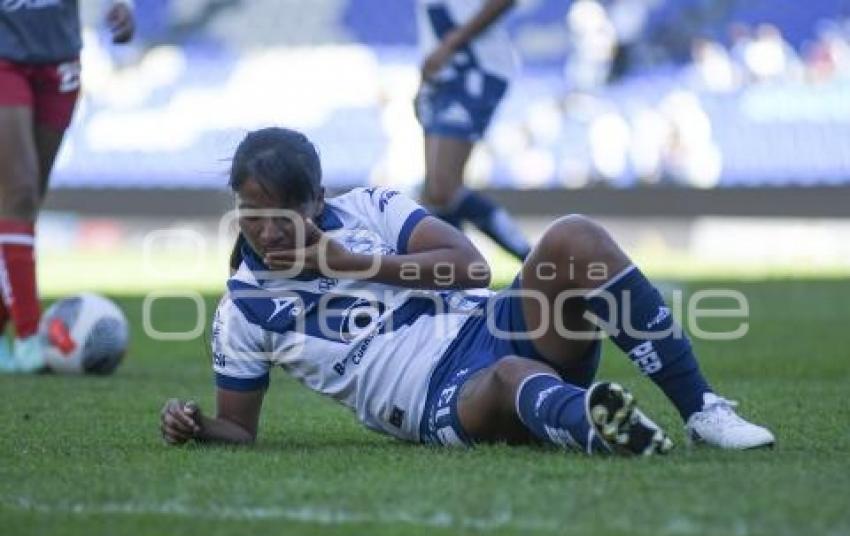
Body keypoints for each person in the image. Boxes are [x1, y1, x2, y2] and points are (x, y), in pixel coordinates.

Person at [160, 127, 775, 454]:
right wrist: (193, 426)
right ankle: (599, 426)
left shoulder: (370, 207)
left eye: (283, 213)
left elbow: (473, 268)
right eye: (249, 212)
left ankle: (702, 412)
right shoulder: (242, 310)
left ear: (317, 201)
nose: (267, 231)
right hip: (434, 397)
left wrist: (355, 264)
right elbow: (239, 430)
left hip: (492, 321)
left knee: (574, 236)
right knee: (509, 375)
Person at [0, 0, 135, 372]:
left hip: (60, 59)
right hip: (4, 58)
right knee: (20, 193)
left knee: (24, 205)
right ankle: (29, 337)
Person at [415, 0, 531, 261]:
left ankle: (535, 260)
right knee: (435, 193)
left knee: (442, 186)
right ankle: (456, 284)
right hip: (443, 72)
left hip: (473, 65)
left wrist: (450, 44)